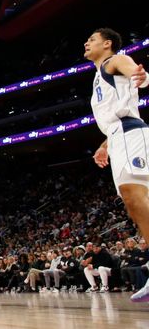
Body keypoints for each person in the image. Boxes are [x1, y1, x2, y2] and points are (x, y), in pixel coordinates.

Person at [85, 28, 149, 301]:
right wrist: (104, 145)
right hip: (117, 136)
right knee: (133, 203)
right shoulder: (99, 76)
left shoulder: (114, 61)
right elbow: (112, 120)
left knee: (136, 198)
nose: (86, 43)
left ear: (107, 44)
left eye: (92, 40)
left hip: (131, 133)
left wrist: (142, 77)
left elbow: (134, 71)